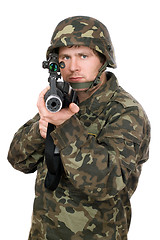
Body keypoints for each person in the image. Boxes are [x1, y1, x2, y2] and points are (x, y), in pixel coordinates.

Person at [8, 16, 150, 240]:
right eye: (66, 57)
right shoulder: (60, 101)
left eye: (84, 56)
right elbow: (17, 160)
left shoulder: (125, 111)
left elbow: (106, 183)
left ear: (103, 58)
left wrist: (64, 126)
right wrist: (40, 130)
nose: (73, 67)